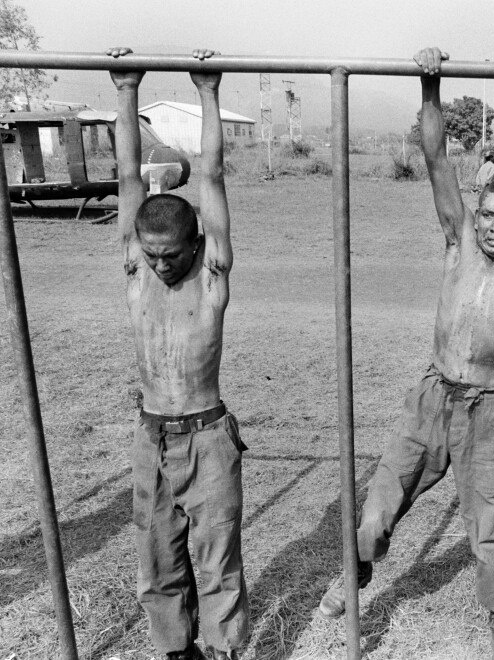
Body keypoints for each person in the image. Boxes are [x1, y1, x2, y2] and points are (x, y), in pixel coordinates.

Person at [318, 47, 494, 660]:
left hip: (488, 413)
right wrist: (430, 87)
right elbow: (435, 157)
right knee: (379, 507)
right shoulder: (458, 243)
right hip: (431, 398)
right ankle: (354, 575)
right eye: (486, 212)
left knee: (492, 530)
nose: (493, 225)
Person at [107, 47, 247, 660]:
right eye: (152, 255)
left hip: (207, 433)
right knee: (157, 555)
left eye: (172, 255)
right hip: (151, 435)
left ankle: (221, 651)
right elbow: (127, 176)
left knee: (216, 557)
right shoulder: (138, 268)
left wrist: (208, 90)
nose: (162, 266)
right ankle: (173, 651)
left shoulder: (211, 276)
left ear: (196, 245)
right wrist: (125, 90)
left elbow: (212, 177)